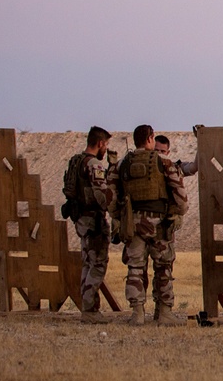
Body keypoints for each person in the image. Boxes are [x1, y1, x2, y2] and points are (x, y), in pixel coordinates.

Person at [110, 124, 188, 326]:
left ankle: (137, 313)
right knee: (163, 268)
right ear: (151, 138)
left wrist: (119, 216)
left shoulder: (122, 164)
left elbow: (109, 195)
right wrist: (177, 213)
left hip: (132, 223)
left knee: (135, 267)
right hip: (159, 224)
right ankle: (163, 313)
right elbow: (180, 196)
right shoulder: (164, 161)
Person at [65, 126, 116, 323]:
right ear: (101, 143)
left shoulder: (76, 161)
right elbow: (102, 196)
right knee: (98, 264)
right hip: (93, 220)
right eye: (106, 145)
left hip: (81, 219)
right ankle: (90, 310)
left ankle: (88, 307)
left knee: (87, 262)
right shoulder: (94, 165)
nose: (106, 149)